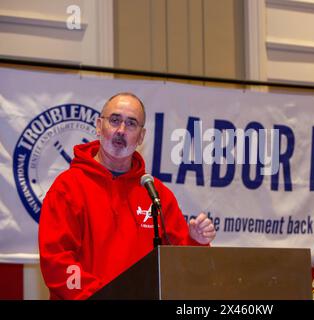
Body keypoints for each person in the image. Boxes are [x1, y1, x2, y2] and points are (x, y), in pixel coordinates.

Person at [39, 92, 216, 300]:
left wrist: (196, 241)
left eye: (131, 124)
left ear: (141, 136)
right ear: (98, 126)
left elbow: (181, 266)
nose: (121, 130)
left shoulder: (156, 194)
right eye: (114, 120)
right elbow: (57, 263)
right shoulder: (67, 188)